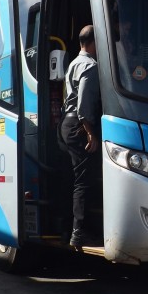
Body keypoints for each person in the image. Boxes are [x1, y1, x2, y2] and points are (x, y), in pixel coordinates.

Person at [61, 25, 102, 248]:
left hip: (66, 123)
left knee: (75, 178)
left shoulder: (74, 63)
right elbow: (84, 105)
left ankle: (70, 228)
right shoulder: (90, 66)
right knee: (85, 181)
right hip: (79, 125)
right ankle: (79, 233)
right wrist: (90, 134)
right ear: (95, 42)